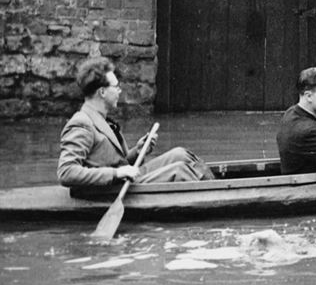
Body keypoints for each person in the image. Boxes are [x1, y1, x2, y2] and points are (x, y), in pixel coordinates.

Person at [58, 56, 213, 187]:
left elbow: (119, 161)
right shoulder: (81, 124)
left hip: (127, 180)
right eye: (116, 86)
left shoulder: (102, 119)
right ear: (102, 92)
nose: (119, 91)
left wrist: (138, 151)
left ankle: (218, 186)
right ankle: (218, 193)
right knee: (180, 170)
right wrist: (117, 173)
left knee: (181, 155)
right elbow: (66, 172)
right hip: (113, 189)